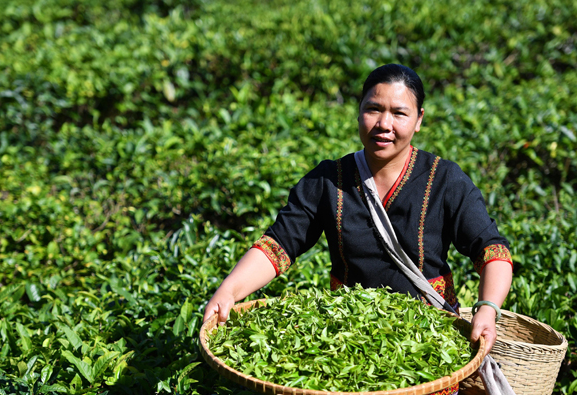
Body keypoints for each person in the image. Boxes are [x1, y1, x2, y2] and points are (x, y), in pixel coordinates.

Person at [203, 64, 512, 354]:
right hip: (350, 339)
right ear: (359, 112)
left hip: (428, 338)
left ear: (418, 120)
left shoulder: (444, 179)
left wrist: (488, 309)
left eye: (399, 113)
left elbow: (491, 250)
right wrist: (229, 290)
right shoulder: (327, 180)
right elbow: (278, 245)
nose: (384, 124)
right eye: (373, 109)